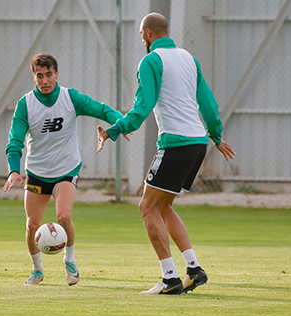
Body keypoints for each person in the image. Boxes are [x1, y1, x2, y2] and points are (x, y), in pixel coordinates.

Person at [96, 13, 235, 295]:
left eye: (140, 34)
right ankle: (193, 269)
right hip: (197, 142)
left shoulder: (150, 61)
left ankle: (170, 278)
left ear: (147, 33)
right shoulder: (189, 58)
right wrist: (216, 135)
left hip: (175, 143)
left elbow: (143, 104)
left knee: (146, 207)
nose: (142, 39)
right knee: (163, 206)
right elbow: (208, 102)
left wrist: (115, 129)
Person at [3, 52, 127, 286]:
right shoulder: (25, 105)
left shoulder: (71, 98)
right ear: (34, 77)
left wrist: (121, 123)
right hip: (37, 172)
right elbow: (15, 141)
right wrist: (13, 170)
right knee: (31, 225)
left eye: (49, 75)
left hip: (66, 170)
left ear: (57, 74)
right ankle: (37, 270)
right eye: (39, 76)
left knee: (63, 216)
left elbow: (101, 109)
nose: (45, 81)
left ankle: (70, 262)